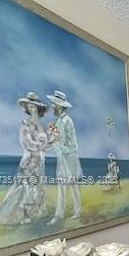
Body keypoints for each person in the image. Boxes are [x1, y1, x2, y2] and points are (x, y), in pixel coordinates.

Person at [0, 92, 49, 226]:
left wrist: (43, 142)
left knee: (36, 187)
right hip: (28, 161)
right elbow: (27, 143)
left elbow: (45, 144)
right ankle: (13, 214)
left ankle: (31, 214)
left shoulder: (38, 126)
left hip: (39, 161)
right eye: (30, 107)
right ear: (27, 109)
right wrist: (40, 144)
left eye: (34, 107)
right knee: (23, 187)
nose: (32, 109)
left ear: (38, 109)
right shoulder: (25, 124)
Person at [46, 90, 82, 225]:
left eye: (53, 105)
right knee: (61, 187)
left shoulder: (68, 121)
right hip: (62, 159)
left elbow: (73, 145)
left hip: (70, 159)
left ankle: (77, 212)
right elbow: (55, 141)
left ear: (60, 106)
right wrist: (48, 143)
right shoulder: (58, 122)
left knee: (74, 186)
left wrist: (57, 144)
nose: (52, 107)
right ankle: (58, 215)